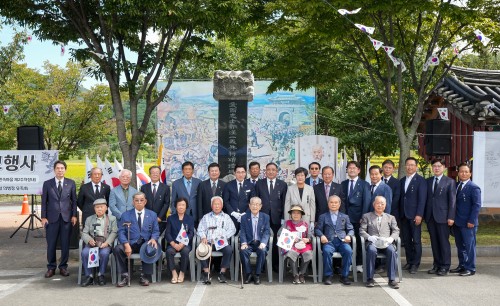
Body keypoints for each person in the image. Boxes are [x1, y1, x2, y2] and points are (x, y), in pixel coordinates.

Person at [114, 192, 160, 287]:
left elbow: (156, 231)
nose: (139, 202)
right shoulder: (126, 215)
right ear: (133, 202)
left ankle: (145, 276)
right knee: (118, 249)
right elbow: (121, 232)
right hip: (130, 242)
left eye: (141, 200)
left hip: (145, 243)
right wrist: (126, 244)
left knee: (150, 247)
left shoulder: (152, 215)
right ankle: (125, 275)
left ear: (145, 201)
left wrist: (154, 239)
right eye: (136, 200)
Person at [41, 160, 77, 278]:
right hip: (51, 219)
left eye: (62, 168)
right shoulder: (47, 183)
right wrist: (43, 217)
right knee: (51, 244)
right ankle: (51, 267)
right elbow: (44, 201)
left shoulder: (71, 183)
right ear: (54, 170)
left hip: (66, 218)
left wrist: (74, 215)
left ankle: (63, 267)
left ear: (65, 170)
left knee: (65, 244)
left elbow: (74, 201)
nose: (60, 170)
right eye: (58, 168)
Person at [360, 196, 400, 289]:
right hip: (372, 243)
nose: (380, 205)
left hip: (386, 242)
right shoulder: (367, 216)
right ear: (374, 205)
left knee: (392, 251)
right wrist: (369, 237)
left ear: (385, 206)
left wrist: (391, 238)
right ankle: (370, 278)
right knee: (371, 250)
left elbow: (396, 230)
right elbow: (362, 230)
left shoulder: (390, 217)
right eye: (378, 203)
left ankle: (392, 279)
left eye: (382, 204)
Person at [254, 162, 288, 271]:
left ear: (277, 172)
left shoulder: (282, 184)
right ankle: (263, 264)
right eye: (268, 169)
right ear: (265, 171)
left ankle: (276, 264)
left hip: (276, 217)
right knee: (262, 240)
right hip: (262, 218)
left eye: (273, 170)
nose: (271, 171)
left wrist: (283, 218)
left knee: (276, 242)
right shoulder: (259, 184)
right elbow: (256, 201)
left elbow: (284, 203)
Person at [425, 158, 456, 276]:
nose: (436, 168)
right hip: (430, 217)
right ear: (432, 168)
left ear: (443, 167)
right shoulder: (428, 181)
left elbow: (452, 201)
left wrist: (451, 217)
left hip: (443, 217)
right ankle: (436, 264)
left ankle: (445, 266)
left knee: (443, 242)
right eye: (434, 166)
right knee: (434, 242)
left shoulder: (449, 181)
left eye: (439, 166)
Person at [315, 195, 353, 285]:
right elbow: (317, 229)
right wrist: (321, 236)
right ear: (328, 204)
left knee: (348, 251)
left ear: (339, 204)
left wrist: (349, 236)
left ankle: (345, 276)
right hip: (329, 242)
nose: (333, 204)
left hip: (342, 241)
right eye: (331, 202)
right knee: (326, 251)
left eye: (336, 202)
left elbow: (351, 229)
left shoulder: (345, 216)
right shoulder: (323, 216)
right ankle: (328, 276)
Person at [197, 196, 236, 284]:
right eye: (215, 204)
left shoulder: (226, 217)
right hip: (209, 243)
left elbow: (232, 229)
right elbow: (200, 229)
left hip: (221, 243)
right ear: (212, 206)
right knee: (200, 249)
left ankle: (222, 273)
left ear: (222, 206)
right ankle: (206, 272)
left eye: (218, 204)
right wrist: (203, 237)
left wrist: (223, 237)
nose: (217, 206)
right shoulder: (206, 217)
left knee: (229, 249)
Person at [398, 157, 427, 274]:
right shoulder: (402, 180)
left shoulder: (421, 180)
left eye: (412, 165)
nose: (409, 167)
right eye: (407, 165)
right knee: (406, 241)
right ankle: (409, 261)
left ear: (416, 167)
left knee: (416, 240)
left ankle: (415, 264)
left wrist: (419, 214)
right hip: (404, 215)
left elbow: (422, 199)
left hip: (415, 215)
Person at [341, 161, 371, 272]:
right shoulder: (343, 184)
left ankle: (359, 264)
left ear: (358, 170)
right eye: (349, 168)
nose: (351, 170)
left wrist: (363, 217)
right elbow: (342, 202)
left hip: (359, 218)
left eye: (354, 168)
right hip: (345, 218)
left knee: (359, 241)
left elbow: (367, 201)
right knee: (346, 241)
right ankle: (348, 263)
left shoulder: (364, 184)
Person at [80, 198, 118, 286]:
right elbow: (84, 232)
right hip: (92, 243)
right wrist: (89, 240)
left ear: (106, 208)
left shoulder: (112, 219)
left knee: (104, 254)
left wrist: (107, 243)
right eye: (97, 207)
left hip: (105, 243)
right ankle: (89, 276)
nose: (99, 209)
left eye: (101, 207)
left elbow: (114, 232)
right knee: (85, 253)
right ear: (94, 209)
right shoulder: (89, 219)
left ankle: (101, 275)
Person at [452, 163, 480, 277]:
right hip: (457, 222)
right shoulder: (456, 185)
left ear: (470, 173)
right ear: (458, 173)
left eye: (466, 172)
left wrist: (472, 221)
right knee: (460, 246)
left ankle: (470, 268)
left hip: (468, 223)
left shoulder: (474, 187)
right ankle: (462, 265)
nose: (463, 173)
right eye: (461, 171)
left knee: (469, 246)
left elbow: (476, 205)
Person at [239, 197, 271, 285]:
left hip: (260, 242)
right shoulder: (244, 217)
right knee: (243, 251)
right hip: (249, 242)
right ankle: (248, 274)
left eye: (257, 204)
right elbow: (242, 232)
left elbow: (267, 231)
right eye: (253, 204)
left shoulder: (265, 217)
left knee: (262, 251)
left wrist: (263, 243)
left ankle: (257, 274)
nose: (255, 206)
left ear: (260, 206)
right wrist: (244, 243)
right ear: (249, 206)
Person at [165, 197, 195, 283]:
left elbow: (191, 233)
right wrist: (173, 244)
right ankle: (174, 273)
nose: (181, 207)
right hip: (173, 243)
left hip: (184, 244)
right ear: (176, 206)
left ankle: (182, 273)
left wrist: (182, 243)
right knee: (169, 252)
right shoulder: (171, 218)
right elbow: (167, 233)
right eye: (179, 205)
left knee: (185, 252)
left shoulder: (190, 219)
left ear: (186, 207)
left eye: (183, 205)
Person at [281, 205, 313, 284]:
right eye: (293, 213)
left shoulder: (305, 224)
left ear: (301, 215)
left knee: (308, 253)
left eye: (298, 213)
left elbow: (310, 236)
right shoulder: (287, 223)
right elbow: (280, 234)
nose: (296, 215)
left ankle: (301, 273)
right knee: (292, 252)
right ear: (291, 214)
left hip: (303, 244)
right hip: (291, 244)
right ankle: (295, 275)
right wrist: (290, 238)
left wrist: (307, 239)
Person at [140, 165, 170, 235]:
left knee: (159, 239)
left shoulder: (166, 188)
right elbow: (142, 202)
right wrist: (146, 216)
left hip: (160, 220)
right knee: (146, 237)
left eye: (157, 172)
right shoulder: (144, 187)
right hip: (146, 219)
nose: (155, 174)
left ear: (160, 174)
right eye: (153, 172)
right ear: (149, 175)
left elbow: (166, 203)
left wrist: (160, 217)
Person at [223, 165, 255, 229]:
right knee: (231, 236)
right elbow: (226, 201)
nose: (241, 174)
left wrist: (246, 213)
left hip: (246, 216)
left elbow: (252, 201)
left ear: (245, 173)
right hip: (232, 216)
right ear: (234, 173)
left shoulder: (250, 185)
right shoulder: (228, 185)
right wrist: (233, 213)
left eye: (243, 172)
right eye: (238, 172)